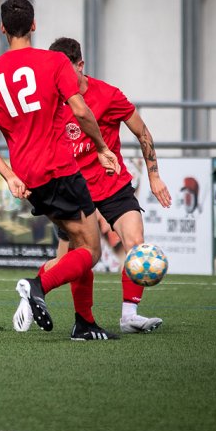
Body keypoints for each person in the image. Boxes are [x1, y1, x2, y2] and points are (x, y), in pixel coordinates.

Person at [0, 0, 122, 341]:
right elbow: (81, 111)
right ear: (34, 25)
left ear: (2, 29)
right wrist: (100, 147)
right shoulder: (54, 62)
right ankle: (37, 285)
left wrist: (9, 175)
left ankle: (84, 324)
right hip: (60, 169)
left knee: (77, 242)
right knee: (92, 250)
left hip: (29, 177)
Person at [41, 37, 172, 334]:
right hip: (74, 190)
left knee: (135, 241)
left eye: (65, 70)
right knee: (72, 261)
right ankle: (34, 291)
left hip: (112, 185)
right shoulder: (51, 101)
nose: (59, 78)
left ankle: (129, 315)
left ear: (80, 65)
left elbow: (142, 132)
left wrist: (153, 176)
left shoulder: (109, 95)